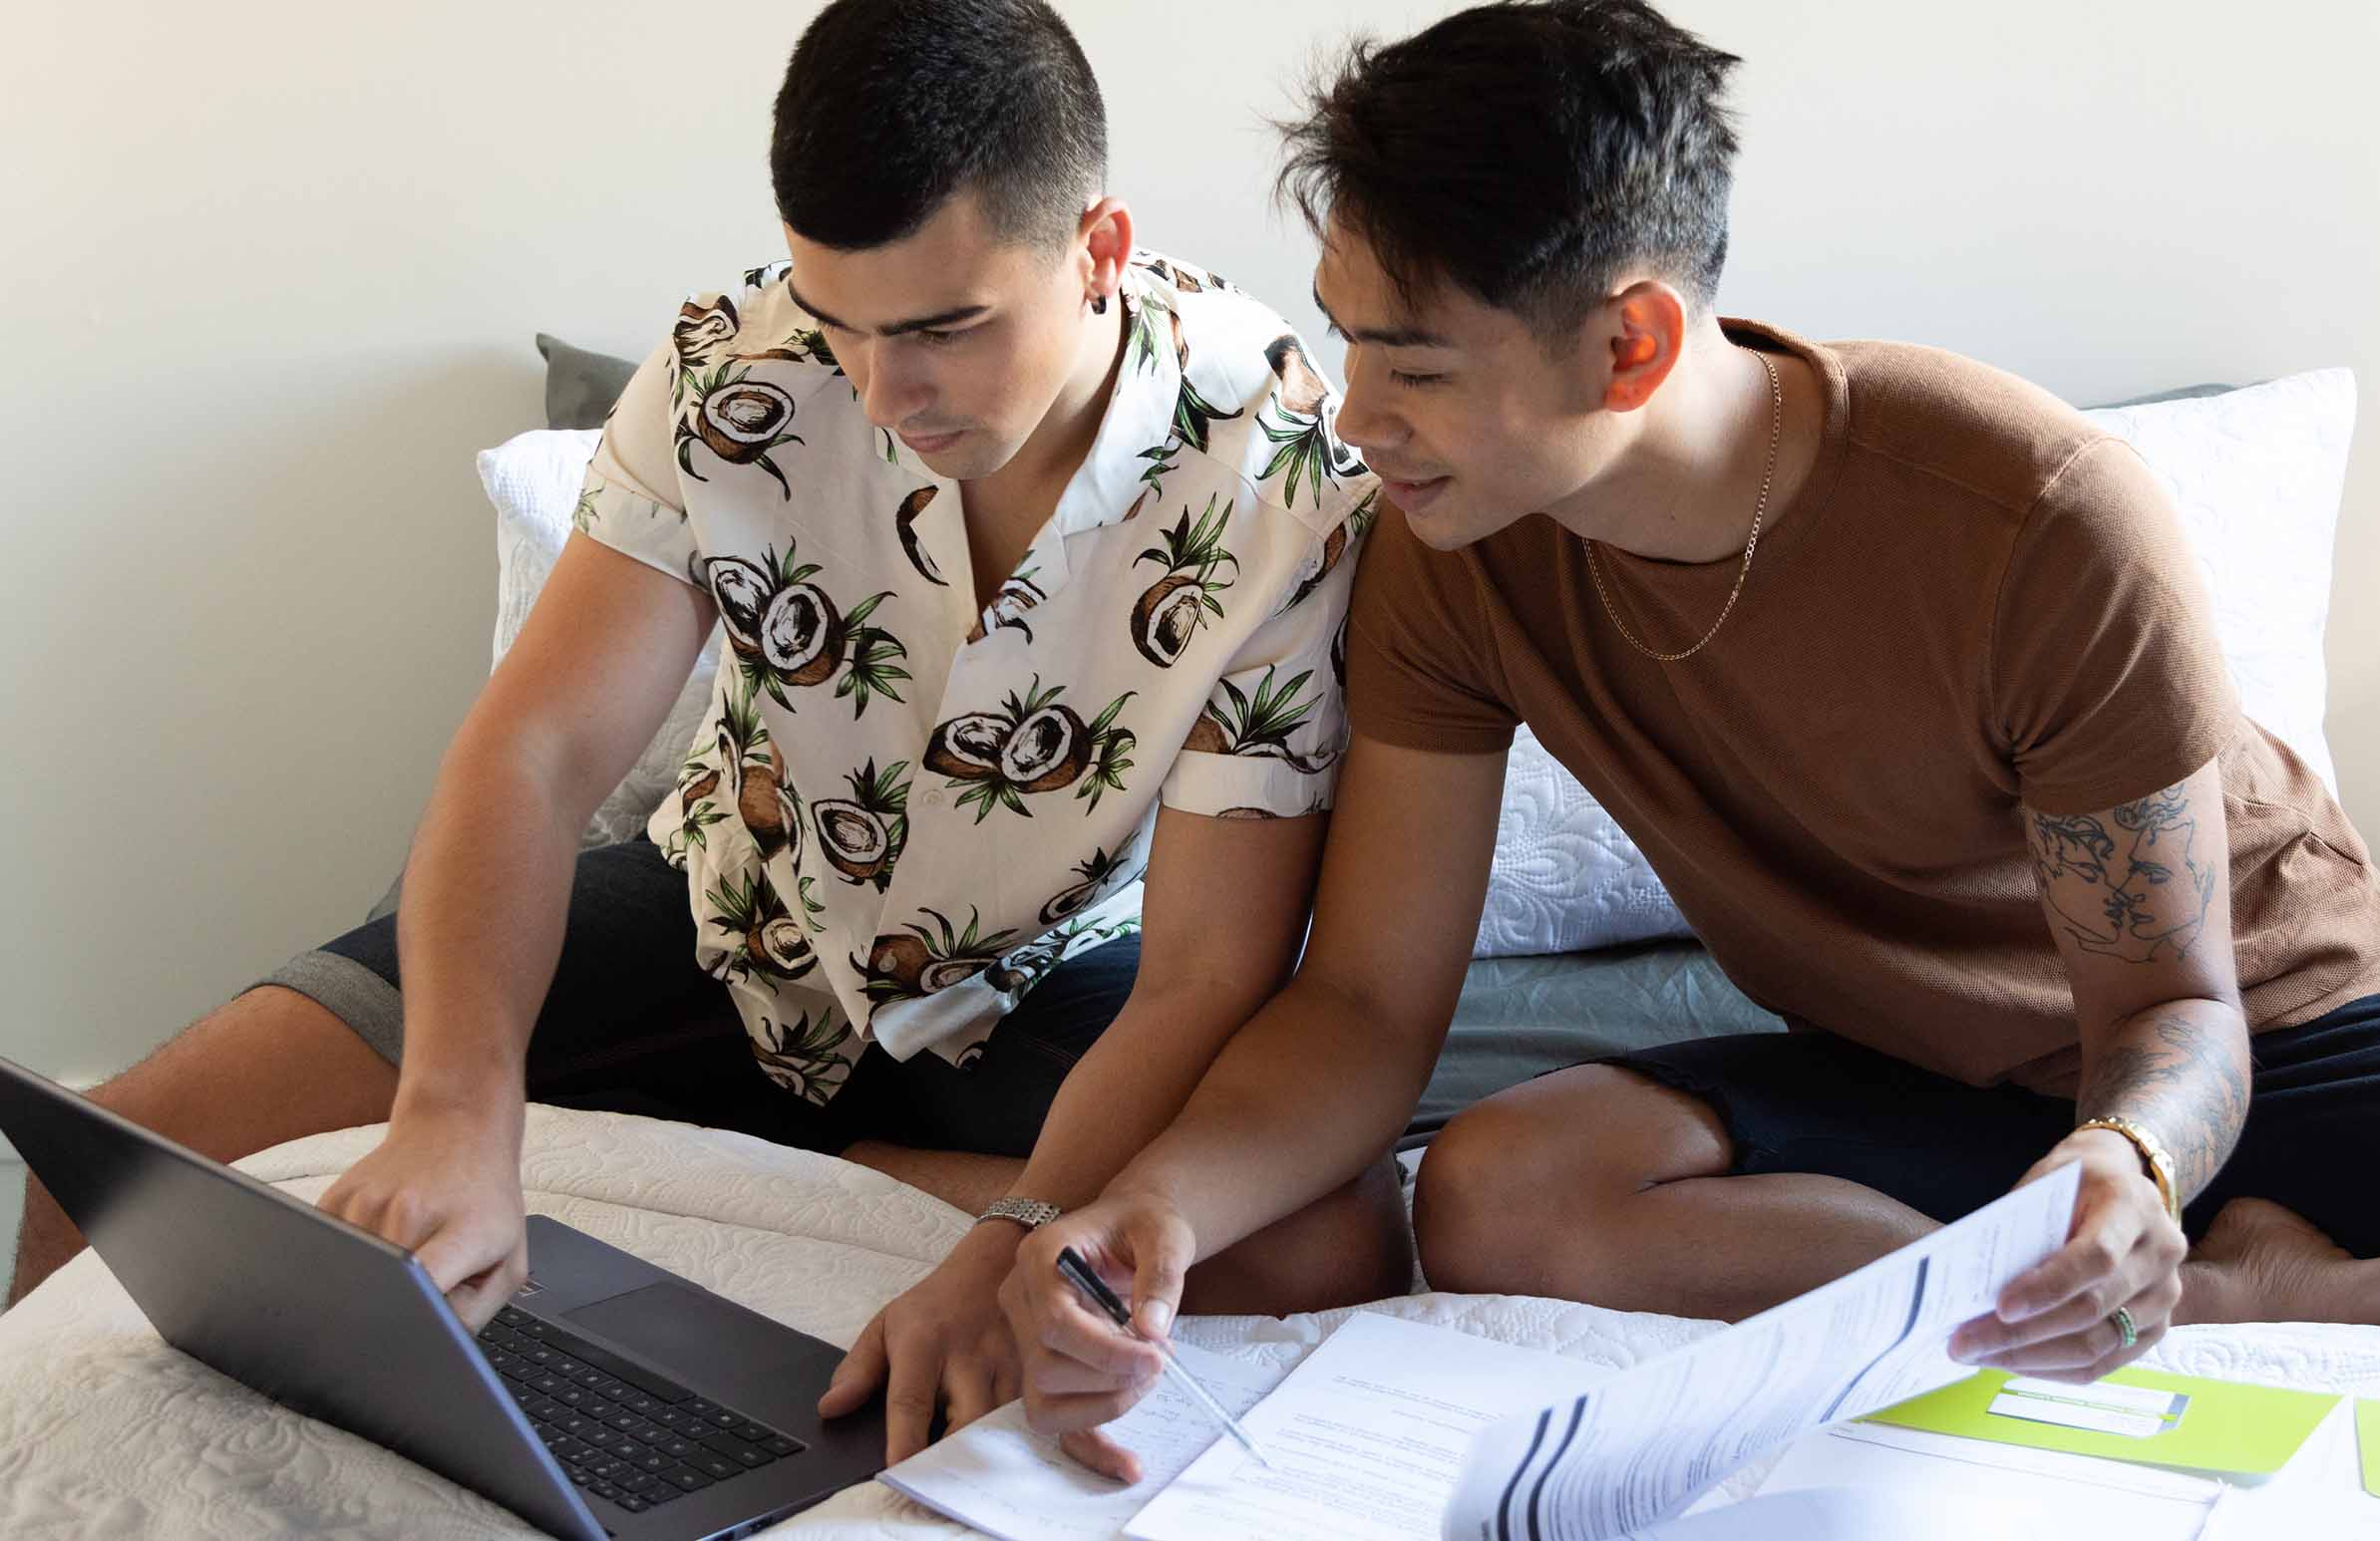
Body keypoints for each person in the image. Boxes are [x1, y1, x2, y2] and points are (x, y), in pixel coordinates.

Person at [999, 0, 2380, 1473]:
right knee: (1496, 1192)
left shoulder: (2037, 514)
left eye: (1410, 362)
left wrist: (2127, 1168)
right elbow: (1363, 1011)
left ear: (1632, 344)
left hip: (2281, 1029)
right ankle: (2239, 1293)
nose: (1356, 415)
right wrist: (1150, 1200)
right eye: (1342, 342)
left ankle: (2193, 1246)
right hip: (1913, 1065)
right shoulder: (1451, 548)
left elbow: (2172, 1013)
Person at [9, 0, 1403, 1465]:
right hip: (736, 909)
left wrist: (1015, 1229)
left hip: (1044, 984)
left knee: (1332, 1244)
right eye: (844, 325)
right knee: (116, 1148)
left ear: (1100, 249)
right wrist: (455, 1107)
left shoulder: (1285, 476)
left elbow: (1205, 967)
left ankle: (856, 1164)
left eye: (944, 328)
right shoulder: (733, 367)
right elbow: (534, 756)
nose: (884, 392)